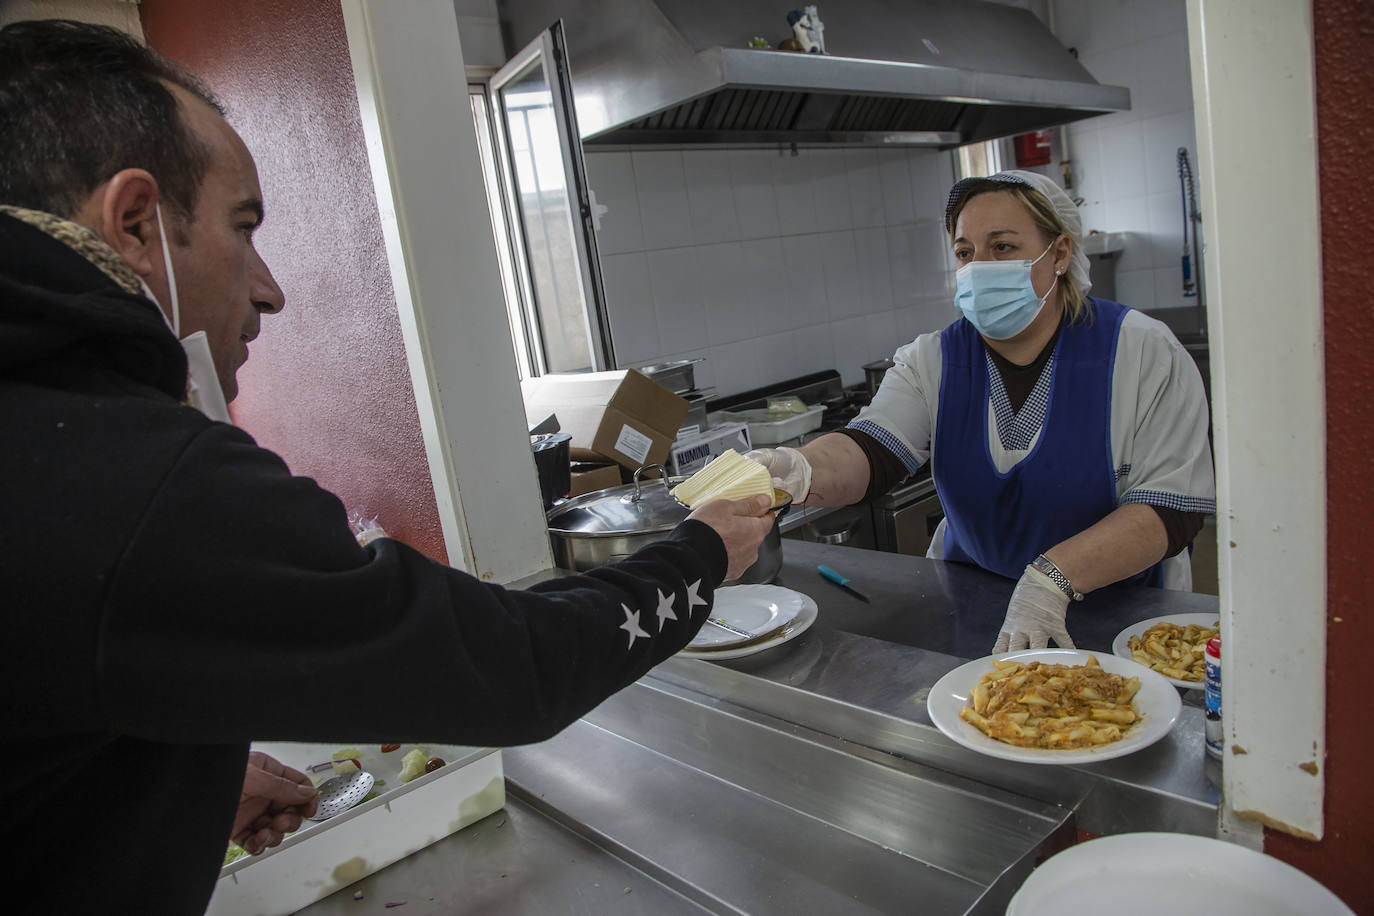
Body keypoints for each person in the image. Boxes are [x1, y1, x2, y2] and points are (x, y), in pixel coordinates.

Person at [0, 19, 774, 912]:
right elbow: (512, 669)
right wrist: (702, 552)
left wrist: (178, 766)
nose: (269, 288)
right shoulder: (130, 477)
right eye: (242, 226)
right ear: (135, 221)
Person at [750, 169, 1214, 652]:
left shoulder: (1141, 352)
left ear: (1059, 253)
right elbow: (871, 449)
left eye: (1003, 247)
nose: (980, 267)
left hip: (1126, 620)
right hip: (976, 608)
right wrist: (801, 466)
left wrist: (1052, 579)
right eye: (966, 252)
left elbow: (1172, 507)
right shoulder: (933, 360)